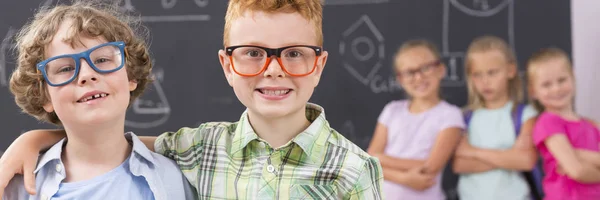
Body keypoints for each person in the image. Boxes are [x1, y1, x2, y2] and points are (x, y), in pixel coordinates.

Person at [0, 0, 385, 199]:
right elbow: (108, 144)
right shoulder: (201, 149)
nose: (273, 69)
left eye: (294, 53)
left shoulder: (353, 168)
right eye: (253, 53)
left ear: (318, 65)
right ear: (227, 65)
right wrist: (35, 139)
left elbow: (116, 143)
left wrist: (33, 139)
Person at [1, 2, 194, 200]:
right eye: (65, 69)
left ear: (131, 76)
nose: (86, 74)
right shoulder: (13, 187)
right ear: (43, 96)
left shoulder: (176, 179)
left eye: (102, 60)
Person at [366, 39, 464, 200]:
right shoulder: (392, 110)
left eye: (426, 68)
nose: (418, 77)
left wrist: (381, 159)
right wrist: (404, 178)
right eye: (410, 72)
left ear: (441, 70)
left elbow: (430, 168)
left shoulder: (450, 114)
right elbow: (368, 163)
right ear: (400, 79)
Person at [452, 35, 540, 200]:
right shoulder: (464, 117)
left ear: (510, 70)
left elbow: (526, 161)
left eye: (492, 73)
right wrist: (509, 157)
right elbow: (459, 164)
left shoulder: (525, 114)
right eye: (477, 75)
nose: (485, 81)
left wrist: (472, 152)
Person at [528, 47, 600, 200]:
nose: (556, 89)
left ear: (572, 78)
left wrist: (579, 154)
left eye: (562, 80)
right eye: (546, 85)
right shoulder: (548, 122)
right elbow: (577, 171)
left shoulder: (591, 126)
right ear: (533, 91)